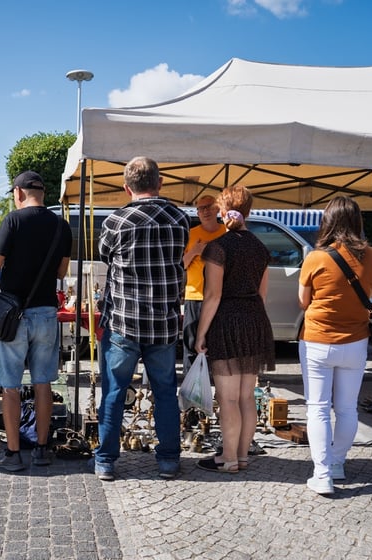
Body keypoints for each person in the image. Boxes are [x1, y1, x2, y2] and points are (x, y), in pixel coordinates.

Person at [93, 156, 189, 481]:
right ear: (159, 183)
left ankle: (106, 460)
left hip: (124, 321)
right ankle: (169, 461)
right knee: (164, 392)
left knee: (115, 391)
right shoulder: (179, 219)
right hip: (163, 323)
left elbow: (104, 255)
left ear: (126, 187)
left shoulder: (116, 221)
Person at [0, 170, 72, 471]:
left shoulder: (13, 220)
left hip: (14, 314)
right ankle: (42, 449)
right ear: (42, 194)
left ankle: (13, 453)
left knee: (10, 386)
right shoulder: (61, 226)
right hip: (46, 311)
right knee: (43, 383)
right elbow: (62, 273)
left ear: (18, 193)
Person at [297, 196, 372, 494]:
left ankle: (322, 475)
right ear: (357, 221)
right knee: (347, 408)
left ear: (328, 221)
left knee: (317, 408)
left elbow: (303, 301)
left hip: (317, 339)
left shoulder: (316, 257)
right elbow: (371, 290)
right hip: (356, 341)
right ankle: (336, 463)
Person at [194, 185, 275, 473]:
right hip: (254, 320)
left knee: (227, 398)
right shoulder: (260, 248)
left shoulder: (219, 247)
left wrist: (201, 333)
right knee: (245, 397)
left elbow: (213, 296)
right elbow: (262, 295)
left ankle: (227, 459)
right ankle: (241, 456)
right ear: (249, 210)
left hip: (227, 322)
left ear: (221, 208)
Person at [182, 194, 227, 375]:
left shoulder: (226, 233)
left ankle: (217, 393)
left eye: (209, 206)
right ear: (197, 213)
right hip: (194, 297)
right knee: (191, 346)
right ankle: (191, 393)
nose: (205, 211)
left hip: (220, 298)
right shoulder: (190, 234)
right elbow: (180, 265)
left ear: (217, 208)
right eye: (201, 208)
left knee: (216, 346)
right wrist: (195, 251)